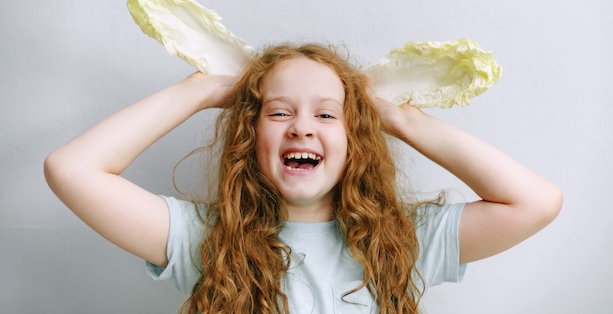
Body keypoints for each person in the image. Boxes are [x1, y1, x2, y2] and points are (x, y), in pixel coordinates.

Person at [44, 43, 562, 314]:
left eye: (327, 115)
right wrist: (199, 90)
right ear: (250, 137)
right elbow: (71, 169)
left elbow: (536, 202)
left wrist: (399, 117)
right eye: (278, 112)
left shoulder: (402, 242)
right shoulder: (207, 239)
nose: (301, 127)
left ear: (356, 139)